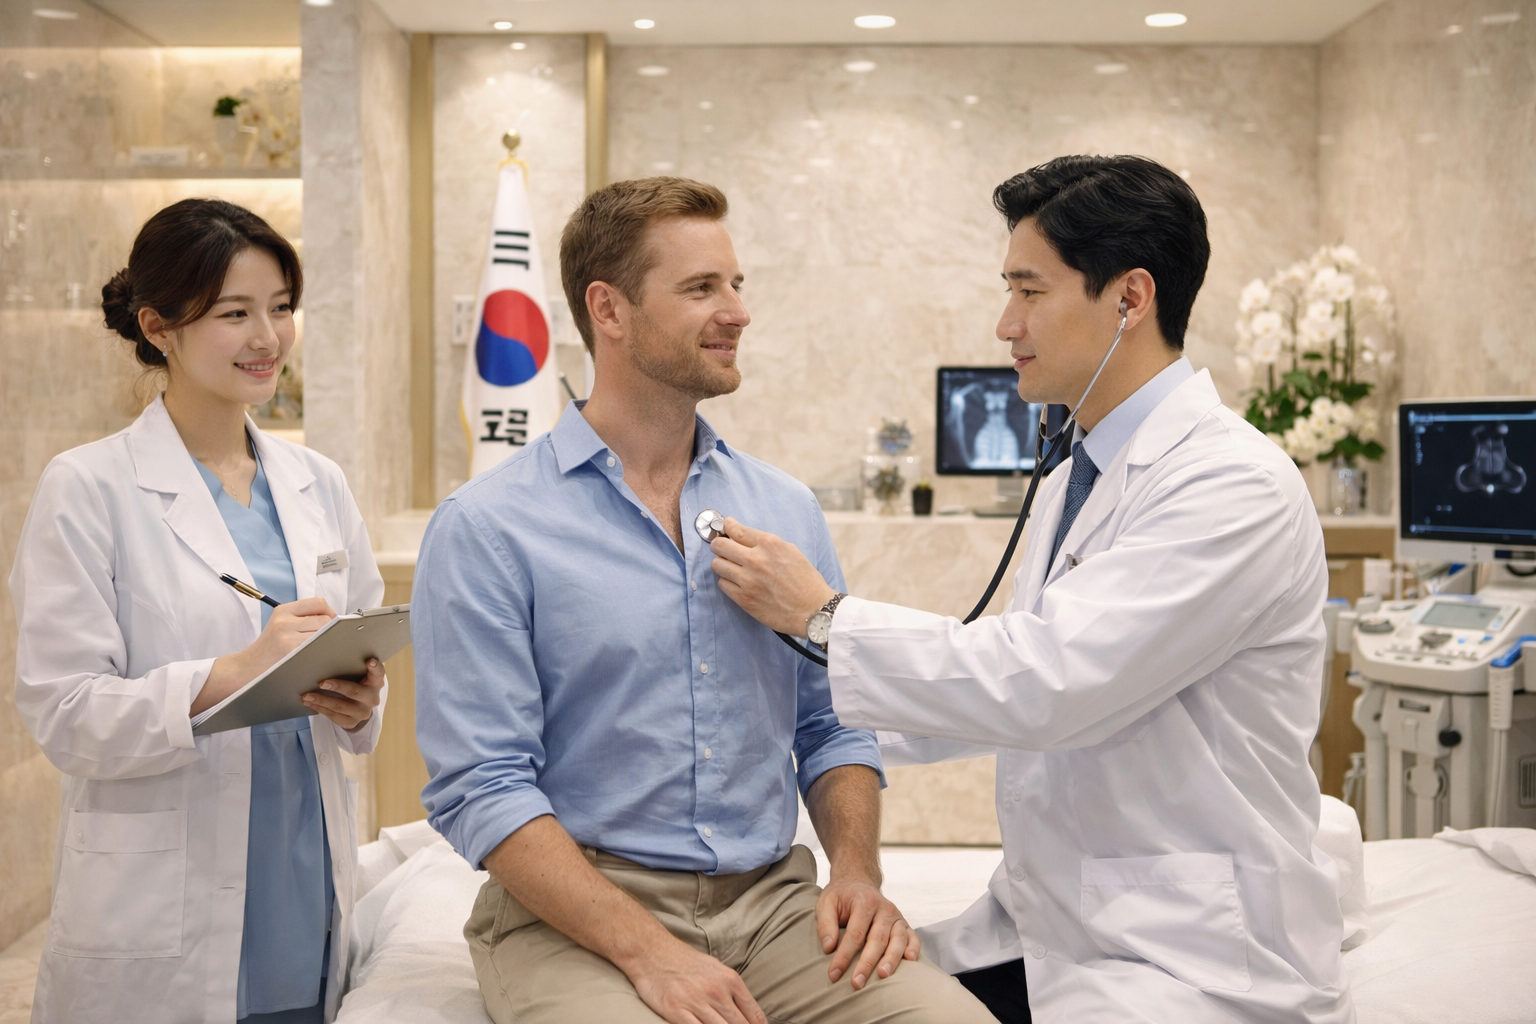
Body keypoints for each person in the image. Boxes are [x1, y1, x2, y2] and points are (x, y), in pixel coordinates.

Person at [708, 156, 1354, 1024]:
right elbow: (999, 684)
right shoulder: (1074, 471)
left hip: (1187, 952)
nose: (1005, 323)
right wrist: (783, 734)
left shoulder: (1231, 484)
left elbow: (1048, 683)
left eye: (1030, 291)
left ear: (1130, 299)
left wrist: (824, 618)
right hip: (1055, 920)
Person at [411, 177, 996, 1024]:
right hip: (575, 916)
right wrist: (651, 955)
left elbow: (831, 725)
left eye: (736, 284)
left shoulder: (783, 508)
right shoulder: (490, 528)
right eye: (700, 289)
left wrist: (858, 875)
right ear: (607, 311)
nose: (737, 311)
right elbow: (483, 785)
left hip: (774, 909)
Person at [11, 199, 387, 1024]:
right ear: (159, 326)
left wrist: (362, 699)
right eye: (235, 313)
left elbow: (359, 641)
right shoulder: (90, 487)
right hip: (163, 902)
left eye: (281, 308)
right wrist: (236, 672)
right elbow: (65, 712)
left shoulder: (316, 481)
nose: (268, 337)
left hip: (304, 873)